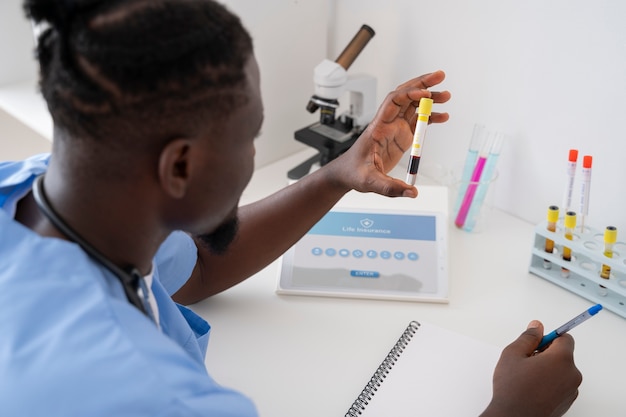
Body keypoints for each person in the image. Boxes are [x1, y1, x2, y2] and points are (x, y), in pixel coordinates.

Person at [0, 0, 581, 416]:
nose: (254, 156)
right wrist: (514, 412)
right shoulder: (152, 394)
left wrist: (338, 174)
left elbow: (195, 267)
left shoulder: (46, 200)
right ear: (179, 166)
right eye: (248, 136)